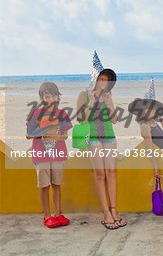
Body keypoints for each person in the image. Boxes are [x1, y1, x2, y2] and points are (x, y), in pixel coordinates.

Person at [76, 57, 126, 229]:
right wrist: (91, 101)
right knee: (100, 174)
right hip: (93, 137)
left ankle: (114, 210)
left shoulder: (108, 96)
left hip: (109, 137)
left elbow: (114, 120)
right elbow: (81, 120)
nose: (104, 82)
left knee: (112, 172)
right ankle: (105, 212)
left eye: (108, 80)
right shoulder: (83, 95)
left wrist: (109, 101)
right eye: (102, 78)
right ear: (96, 78)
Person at [26, 82, 72, 228]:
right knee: (44, 186)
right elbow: (28, 135)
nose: (50, 99)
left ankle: (58, 213)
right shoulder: (36, 113)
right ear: (42, 98)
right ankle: (47, 216)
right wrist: (42, 132)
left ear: (58, 97)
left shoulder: (62, 114)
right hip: (41, 156)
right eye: (47, 96)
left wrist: (55, 136)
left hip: (57, 155)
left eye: (53, 96)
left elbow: (65, 137)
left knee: (57, 184)